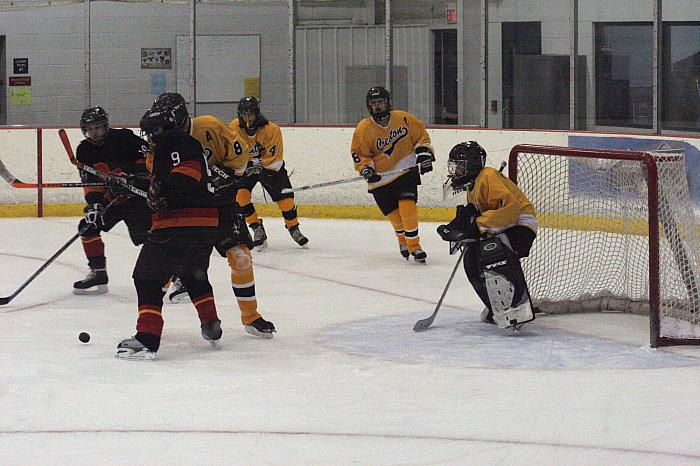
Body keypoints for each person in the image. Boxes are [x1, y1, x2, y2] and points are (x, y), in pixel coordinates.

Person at [154, 93, 276, 338]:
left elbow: (239, 160)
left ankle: (251, 316)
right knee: (164, 263)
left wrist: (229, 176)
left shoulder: (209, 126)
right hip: (185, 208)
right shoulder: (161, 139)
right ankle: (149, 321)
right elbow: (153, 172)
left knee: (241, 257)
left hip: (220, 205)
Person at [116, 103, 223, 360]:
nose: (150, 136)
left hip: (179, 222)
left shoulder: (174, 141)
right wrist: (139, 184)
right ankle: (211, 324)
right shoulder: (183, 143)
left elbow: (185, 177)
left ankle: (147, 338)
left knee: (147, 277)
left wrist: (161, 190)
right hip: (205, 223)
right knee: (192, 274)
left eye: (153, 130)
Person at [436, 141, 537, 329]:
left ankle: (515, 307)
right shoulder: (472, 186)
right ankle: (496, 308)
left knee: (491, 252)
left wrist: (477, 227)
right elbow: (476, 215)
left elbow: (511, 210)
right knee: (471, 260)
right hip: (502, 225)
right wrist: (461, 228)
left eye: (459, 165)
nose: (455, 170)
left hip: (520, 225)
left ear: (472, 165)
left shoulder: (488, 176)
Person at [350, 86, 435, 263]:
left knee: (407, 206)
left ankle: (415, 246)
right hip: (380, 179)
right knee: (395, 216)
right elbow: (360, 154)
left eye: (381, 102)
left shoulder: (403, 118)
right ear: (369, 106)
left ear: (388, 102)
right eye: (374, 103)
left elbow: (421, 136)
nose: (378, 106)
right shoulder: (363, 129)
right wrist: (366, 169)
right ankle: (402, 240)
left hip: (405, 170)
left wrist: (424, 155)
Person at [73, 106, 151, 294]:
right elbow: (90, 183)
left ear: (106, 126)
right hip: (112, 200)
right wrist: (94, 205)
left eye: (97, 127)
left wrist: (132, 178)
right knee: (87, 226)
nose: (94, 132)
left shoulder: (124, 139)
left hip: (136, 198)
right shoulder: (84, 150)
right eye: (90, 129)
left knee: (148, 237)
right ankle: (98, 272)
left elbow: (148, 162)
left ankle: (176, 274)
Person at [229, 96, 308, 250]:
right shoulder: (234, 128)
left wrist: (257, 164)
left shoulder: (272, 130)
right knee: (240, 197)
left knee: (286, 199)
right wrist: (246, 165)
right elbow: (232, 153)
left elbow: (275, 160)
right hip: (247, 168)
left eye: (250, 114)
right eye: (244, 114)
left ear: (257, 114)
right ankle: (256, 227)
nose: (247, 118)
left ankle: (293, 227)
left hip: (269, 169)